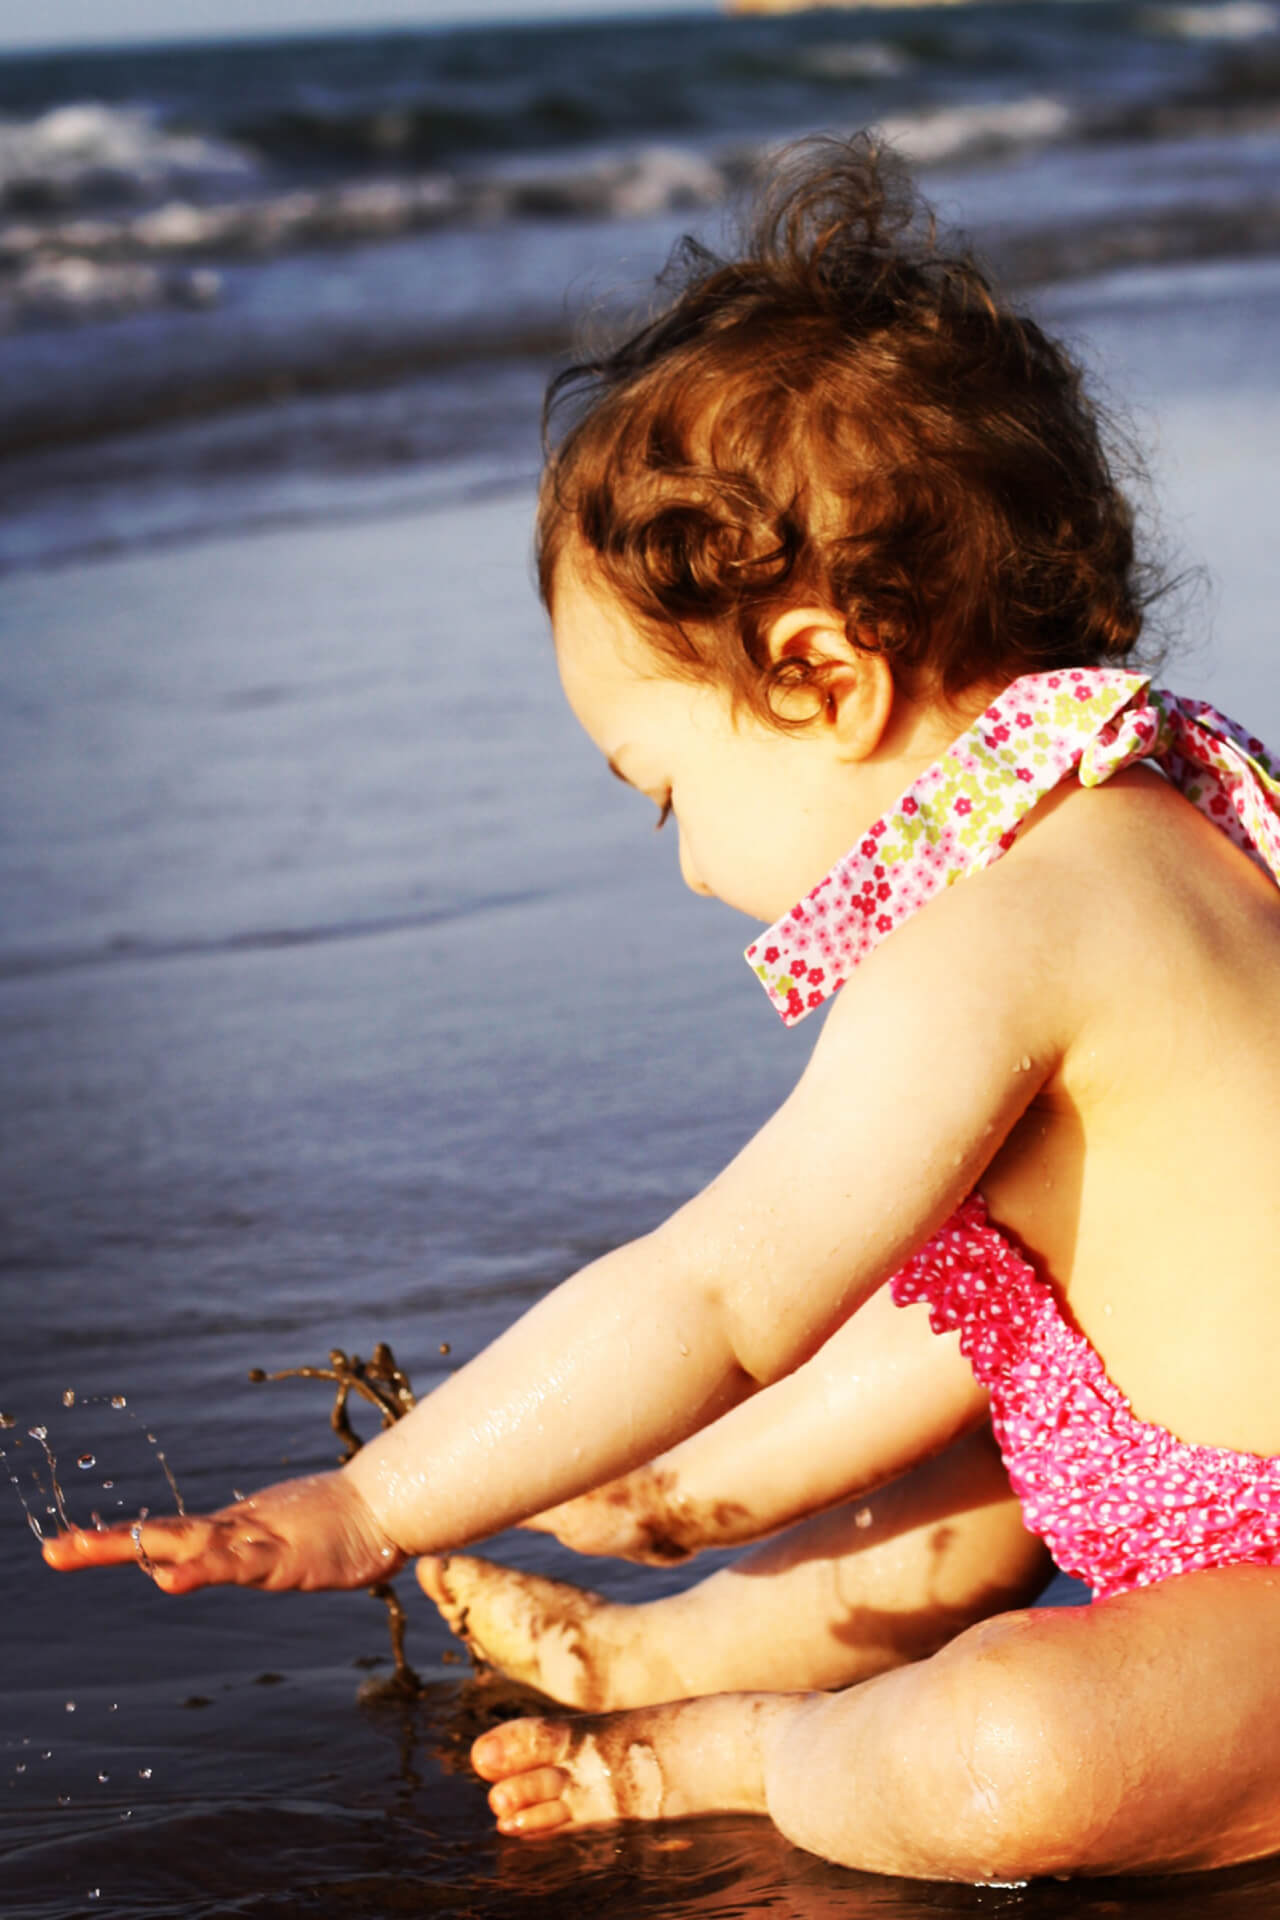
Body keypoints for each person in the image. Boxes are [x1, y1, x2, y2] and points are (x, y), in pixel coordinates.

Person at [44, 136, 1280, 1883]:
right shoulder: (1174, 799)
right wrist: (670, 1494)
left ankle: (756, 1746)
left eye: (662, 790)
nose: (687, 863)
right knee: (982, 1436)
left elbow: (720, 1292)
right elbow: (985, 1322)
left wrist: (373, 1501)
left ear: (821, 677)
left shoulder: (1013, 928)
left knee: (1007, 1759)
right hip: (1197, 1478)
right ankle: (663, 1650)